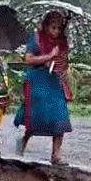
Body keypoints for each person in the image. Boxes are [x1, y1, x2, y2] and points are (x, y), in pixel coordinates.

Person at [14, 10, 72, 165]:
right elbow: (28, 60)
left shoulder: (62, 42)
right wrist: (47, 57)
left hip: (54, 82)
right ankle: (23, 140)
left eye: (59, 28)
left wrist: (62, 67)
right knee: (36, 117)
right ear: (46, 26)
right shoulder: (36, 38)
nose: (56, 31)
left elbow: (64, 62)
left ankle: (56, 155)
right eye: (53, 27)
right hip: (37, 82)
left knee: (60, 115)